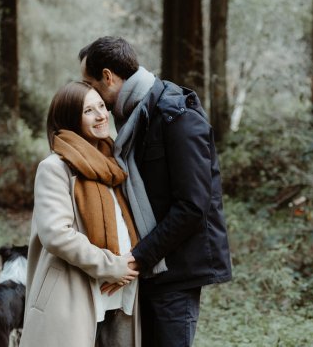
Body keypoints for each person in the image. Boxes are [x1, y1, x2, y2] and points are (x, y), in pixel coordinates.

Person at [79, 36, 232, 347]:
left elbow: (193, 206)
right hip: (148, 270)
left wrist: (138, 257)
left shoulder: (176, 115)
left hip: (175, 271)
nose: (89, 92)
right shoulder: (135, 116)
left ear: (108, 77)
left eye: (90, 83)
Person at [20, 81, 141, 347]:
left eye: (101, 106)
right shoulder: (55, 168)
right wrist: (112, 266)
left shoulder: (116, 163)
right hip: (74, 293)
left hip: (121, 293)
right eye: (88, 110)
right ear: (69, 119)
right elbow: (56, 235)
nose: (101, 115)